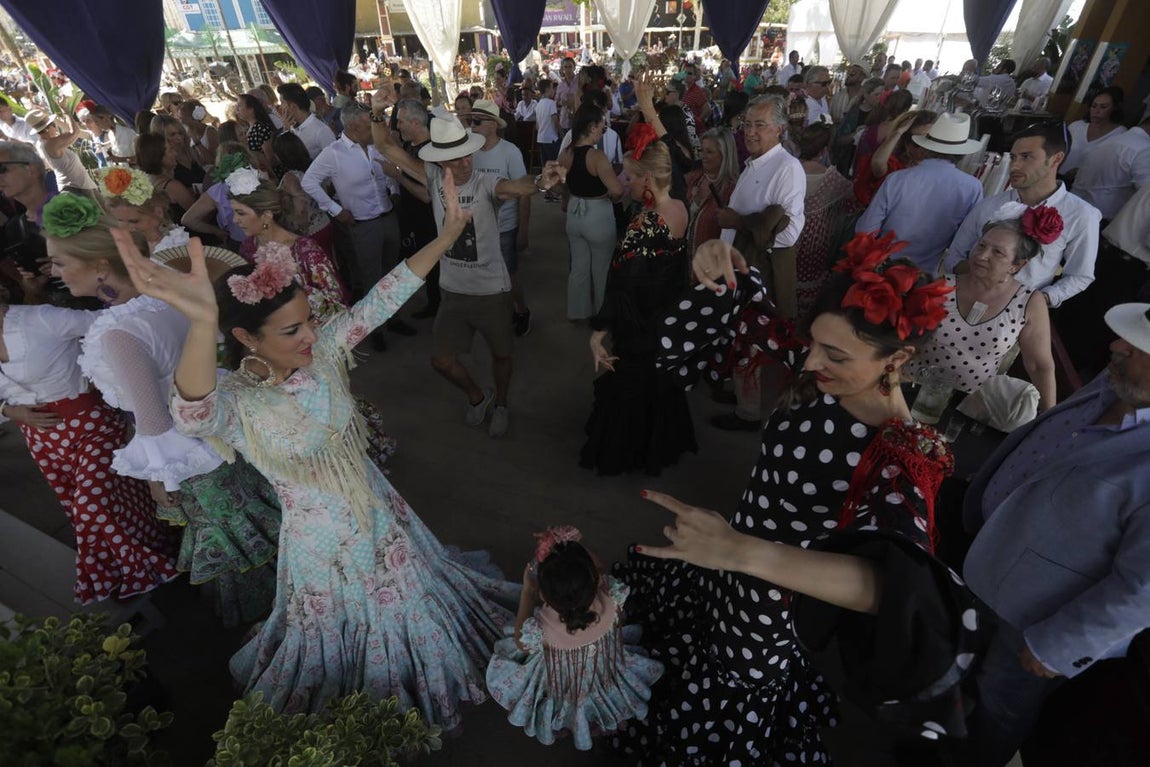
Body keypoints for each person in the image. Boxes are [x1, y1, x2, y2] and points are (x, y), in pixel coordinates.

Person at [116, 171, 519, 723]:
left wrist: (447, 236)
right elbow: (190, 414)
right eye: (291, 331)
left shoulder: (325, 350)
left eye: (307, 321)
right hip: (320, 542)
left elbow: (383, 298)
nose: (310, 335)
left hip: (378, 509)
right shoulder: (236, 402)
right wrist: (203, 321)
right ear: (246, 338)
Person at [615, 234, 978, 765]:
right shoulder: (823, 374)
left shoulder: (898, 457)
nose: (810, 363)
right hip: (729, 555)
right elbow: (750, 304)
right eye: (813, 343)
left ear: (897, 358)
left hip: (769, 599)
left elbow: (893, 588)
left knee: (732, 679)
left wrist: (739, 551)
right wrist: (721, 257)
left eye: (835, 354)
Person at [43, 194, 281, 626]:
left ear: (100, 266)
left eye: (60, 263)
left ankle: (270, 619)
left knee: (232, 543)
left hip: (191, 456)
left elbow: (153, 421)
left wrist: (159, 479)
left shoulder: (117, 333)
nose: (54, 273)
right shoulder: (163, 298)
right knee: (254, 524)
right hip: (220, 429)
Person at [960, 302, 1150, 766]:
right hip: (988, 559)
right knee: (958, 671)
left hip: (1034, 619)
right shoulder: (1122, 380)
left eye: (1139, 346)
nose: (1116, 345)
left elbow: (1141, 591)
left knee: (997, 708)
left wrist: (1058, 646)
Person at [369, 95, 566, 438]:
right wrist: (375, 112)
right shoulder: (432, 176)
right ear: (439, 161)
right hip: (453, 291)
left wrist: (539, 182)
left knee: (502, 355)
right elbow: (385, 145)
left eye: (467, 155)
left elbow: (513, 187)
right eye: (455, 159)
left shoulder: (485, 182)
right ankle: (478, 396)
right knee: (441, 360)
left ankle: (501, 403)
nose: (464, 164)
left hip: (492, 290)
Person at [0, 291, 180, 603]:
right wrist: (8, 410)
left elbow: (112, 324)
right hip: (41, 440)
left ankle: (140, 569)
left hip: (92, 426)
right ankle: (155, 551)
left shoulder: (41, 319)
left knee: (90, 505)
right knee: (107, 501)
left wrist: (114, 376)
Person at [487, 526, 664, 749]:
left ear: (543, 595)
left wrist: (527, 593)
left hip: (561, 677)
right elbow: (598, 566)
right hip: (602, 667)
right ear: (596, 578)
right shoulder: (611, 595)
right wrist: (571, 544)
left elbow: (520, 643)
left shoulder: (540, 628)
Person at [582, 139, 694, 475]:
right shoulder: (680, 207)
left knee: (632, 385)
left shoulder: (644, 224)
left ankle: (625, 451)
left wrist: (599, 331)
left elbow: (622, 283)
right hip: (666, 314)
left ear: (647, 179)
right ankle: (658, 443)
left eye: (628, 176)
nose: (622, 181)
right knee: (656, 381)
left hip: (639, 320)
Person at [909, 216, 1057, 409]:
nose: (982, 256)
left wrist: (1048, 415)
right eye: (981, 246)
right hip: (914, 388)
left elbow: (1039, 365)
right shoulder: (942, 285)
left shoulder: (1029, 302)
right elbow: (904, 335)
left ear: (1017, 265)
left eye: (997, 252)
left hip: (970, 405)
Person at [948, 122, 1103, 308]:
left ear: (1056, 159)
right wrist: (979, 271)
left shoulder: (1081, 215)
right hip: (965, 300)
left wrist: (1039, 300)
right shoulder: (989, 205)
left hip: (1019, 310)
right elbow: (954, 255)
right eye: (1013, 157)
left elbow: (1079, 275)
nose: (1014, 166)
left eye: (1026, 157)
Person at [302, 105, 404, 342]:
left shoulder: (377, 146)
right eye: (369, 126)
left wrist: (394, 190)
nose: (375, 129)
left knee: (393, 274)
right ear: (353, 127)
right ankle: (375, 329)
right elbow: (309, 181)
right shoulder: (334, 153)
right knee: (372, 278)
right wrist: (336, 210)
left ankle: (395, 319)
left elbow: (388, 172)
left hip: (388, 218)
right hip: (363, 225)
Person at [856, 112, 984, 273]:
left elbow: (865, 230)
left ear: (926, 146)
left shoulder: (897, 179)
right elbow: (964, 243)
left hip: (882, 268)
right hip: (925, 275)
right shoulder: (972, 187)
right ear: (962, 153)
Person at [469, 99, 534, 336]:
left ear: (493, 125)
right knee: (482, 273)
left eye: (477, 121)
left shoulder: (510, 152)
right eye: (471, 120)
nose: (472, 125)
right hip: (478, 225)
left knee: (508, 273)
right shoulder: (469, 150)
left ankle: (521, 310)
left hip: (505, 226)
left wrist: (523, 230)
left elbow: (525, 192)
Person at [560, 103, 624, 322]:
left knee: (579, 267)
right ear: (591, 126)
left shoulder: (566, 154)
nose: (603, 131)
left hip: (574, 212)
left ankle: (577, 312)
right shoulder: (597, 157)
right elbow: (617, 190)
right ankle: (602, 315)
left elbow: (561, 186)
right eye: (601, 126)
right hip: (597, 214)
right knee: (601, 269)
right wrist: (611, 195)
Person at [794, 123, 861, 317]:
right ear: (824, 150)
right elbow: (853, 205)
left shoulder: (787, 171)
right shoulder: (832, 179)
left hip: (786, 238)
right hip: (816, 243)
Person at [389, 99, 441, 319]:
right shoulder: (410, 146)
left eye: (400, 121)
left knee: (434, 265)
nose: (397, 126)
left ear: (415, 122)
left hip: (430, 222)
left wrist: (397, 175)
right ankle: (434, 304)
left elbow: (427, 195)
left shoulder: (431, 151)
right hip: (416, 220)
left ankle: (438, 308)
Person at [1070, 115, 1150, 220]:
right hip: (1097, 217)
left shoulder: (1116, 139)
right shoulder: (1144, 149)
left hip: (1075, 205)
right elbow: (1146, 194)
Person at [98, 165, 191, 254]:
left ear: (158, 212)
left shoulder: (176, 246)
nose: (126, 228)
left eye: (134, 221)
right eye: (119, 220)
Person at [854, 109, 937, 206]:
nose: (924, 148)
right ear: (906, 142)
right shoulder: (896, 164)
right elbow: (878, 164)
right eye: (917, 142)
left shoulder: (935, 169)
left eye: (929, 140)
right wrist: (898, 132)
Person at [270, 132, 333, 256]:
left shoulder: (291, 178)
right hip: (325, 222)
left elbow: (301, 209)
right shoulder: (313, 168)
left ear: (281, 155)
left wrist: (299, 232)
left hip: (311, 231)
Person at [684, 127, 739, 252]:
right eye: (701, 151)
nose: (702, 156)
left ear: (724, 155)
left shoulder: (732, 190)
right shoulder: (693, 179)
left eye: (709, 152)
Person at [23, 109, 99, 195]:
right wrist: (66, 111)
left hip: (77, 185)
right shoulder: (51, 144)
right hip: (77, 187)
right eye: (53, 124)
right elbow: (75, 132)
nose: (55, 127)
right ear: (47, 128)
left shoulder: (42, 144)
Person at [1062, 87, 1127, 179]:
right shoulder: (1076, 126)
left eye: (1103, 107)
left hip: (1089, 184)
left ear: (1115, 108)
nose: (1097, 111)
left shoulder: (1121, 134)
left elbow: (1113, 166)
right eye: (1094, 106)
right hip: (1059, 177)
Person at [136, 133, 198, 225]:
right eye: (170, 150)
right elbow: (200, 215)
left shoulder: (147, 180)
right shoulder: (172, 186)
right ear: (158, 157)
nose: (175, 153)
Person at [831, 76, 883, 174]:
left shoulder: (881, 114)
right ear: (866, 95)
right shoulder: (853, 113)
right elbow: (839, 140)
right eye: (876, 94)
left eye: (881, 94)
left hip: (867, 162)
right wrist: (856, 134)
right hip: (849, 160)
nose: (879, 97)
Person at [854, 88, 913, 171]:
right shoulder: (901, 135)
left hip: (861, 175)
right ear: (907, 110)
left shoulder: (871, 128)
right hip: (882, 177)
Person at [276, 85, 336, 160]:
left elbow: (335, 159)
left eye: (282, 102)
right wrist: (285, 131)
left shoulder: (321, 130)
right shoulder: (290, 127)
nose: (280, 107)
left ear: (293, 106)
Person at [151, 114, 206, 189]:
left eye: (180, 133)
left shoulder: (190, 152)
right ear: (162, 138)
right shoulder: (164, 164)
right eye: (172, 135)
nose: (179, 138)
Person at [235, 94, 276, 169]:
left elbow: (270, 158)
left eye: (239, 106)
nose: (237, 109)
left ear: (251, 109)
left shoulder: (261, 128)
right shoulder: (249, 129)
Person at [177, 100, 218, 171]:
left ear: (194, 117)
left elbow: (213, 160)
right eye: (180, 118)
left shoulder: (210, 132)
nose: (181, 122)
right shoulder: (186, 133)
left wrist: (197, 143)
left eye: (183, 118)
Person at [535, 79, 561, 166]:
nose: (554, 90)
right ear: (547, 89)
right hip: (551, 138)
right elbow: (555, 121)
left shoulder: (538, 104)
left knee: (545, 165)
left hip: (541, 138)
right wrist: (561, 134)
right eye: (552, 88)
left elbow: (537, 125)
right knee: (554, 164)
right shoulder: (551, 103)